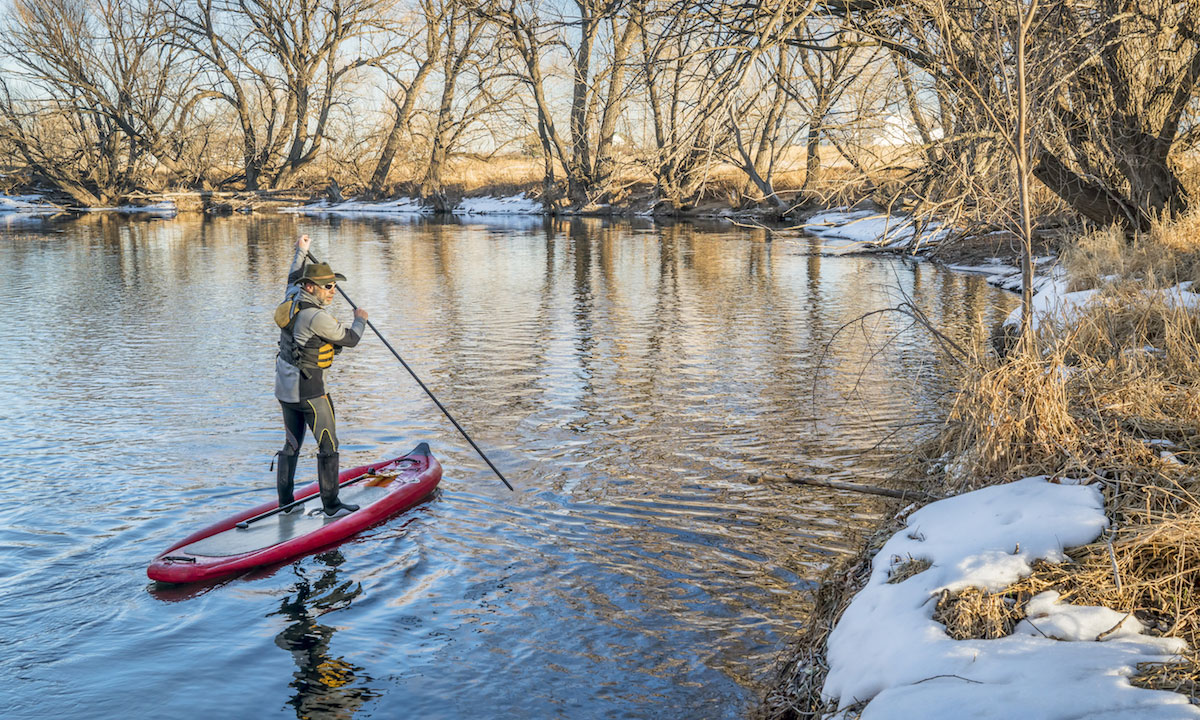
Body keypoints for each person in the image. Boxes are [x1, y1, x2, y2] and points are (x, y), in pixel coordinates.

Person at [273, 234, 368, 517]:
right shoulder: (317, 317)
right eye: (328, 286)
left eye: (335, 285)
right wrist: (361, 318)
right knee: (328, 444)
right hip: (311, 392)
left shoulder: (292, 298)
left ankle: (286, 505)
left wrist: (301, 251)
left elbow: (292, 276)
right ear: (311, 287)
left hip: (284, 389)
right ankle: (332, 506)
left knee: (291, 444)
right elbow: (350, 339)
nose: (333, 291)